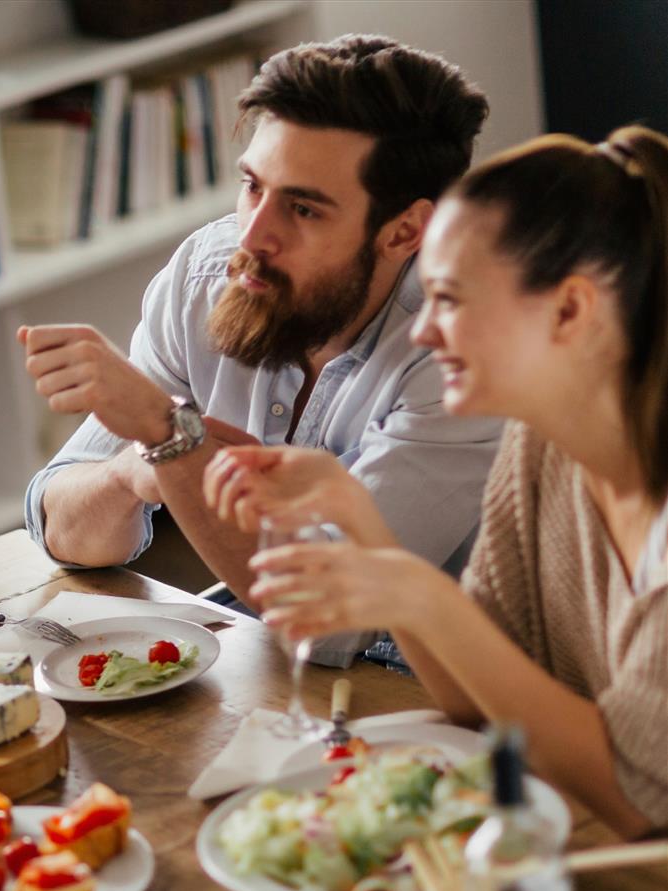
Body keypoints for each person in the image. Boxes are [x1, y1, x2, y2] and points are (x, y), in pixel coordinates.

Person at [206, 126, 668, 837]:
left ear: (569, 310)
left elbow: (640, 801)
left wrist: (423, 596)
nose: (421, 333)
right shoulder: (540, 448)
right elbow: (477, 709)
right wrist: (358, 520)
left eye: (448, 299)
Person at [22, 35, 502, 666]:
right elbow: (64, 531)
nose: (252, 235)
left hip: (444, 691)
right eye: (252, 186)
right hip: (266, 659)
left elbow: (325, 623)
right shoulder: (206, 276)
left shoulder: (463, 353)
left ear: (405, 231)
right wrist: (127, 473)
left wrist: (168, 437)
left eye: (302, 208)